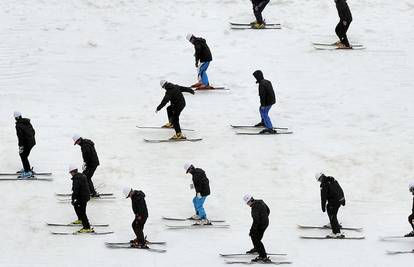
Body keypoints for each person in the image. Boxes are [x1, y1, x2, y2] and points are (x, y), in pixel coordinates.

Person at [316, 172, 346, 238]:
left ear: (320, 178)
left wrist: (323, 207)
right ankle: (333, 224)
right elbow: (339, 189)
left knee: (332, 214)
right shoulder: (332, 179)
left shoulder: (324, 184)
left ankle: (336, 232)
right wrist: (343, 198)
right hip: (339, 200)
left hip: (333, 201)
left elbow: (323, 197)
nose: (319, 181)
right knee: (333, 213)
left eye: (318, 180)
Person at [244, 194, 271, 263]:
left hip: (260, 224)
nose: (247, 204)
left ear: (250, 201)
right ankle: (257, 248)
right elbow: (268, 210)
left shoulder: (255, 208)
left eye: (247, 203)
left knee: (255, 238)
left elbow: (256, 221)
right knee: (257, 237)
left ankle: (263, 256)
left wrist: (252, 230)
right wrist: (264, 217)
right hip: (265, 223)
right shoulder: (260, 201)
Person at [69, 164, 94, 233]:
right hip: (85, 196)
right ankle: (80, 219)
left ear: (73, 172)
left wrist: (73, 199)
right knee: (77, 206)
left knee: (82, 212)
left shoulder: (76, 178)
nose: (70, 174)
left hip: (82, 197)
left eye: (70, 172)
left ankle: (86, 227)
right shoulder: (81, 175)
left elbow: (75, 190)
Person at [14, 111, 36, 178]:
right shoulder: (27, 122)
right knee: (24, 155)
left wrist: (21, 146)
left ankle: (27, 171)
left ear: (16, 118)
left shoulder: (18, 125)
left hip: (27, 143)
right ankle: (26, 168)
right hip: (32, 142)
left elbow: (20, 137)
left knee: (23, 155)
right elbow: (33, 131)